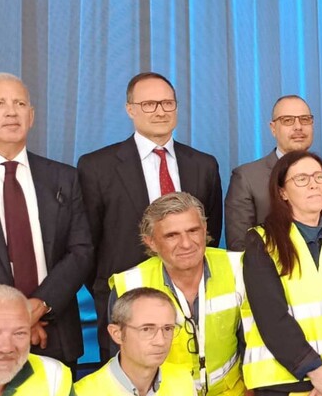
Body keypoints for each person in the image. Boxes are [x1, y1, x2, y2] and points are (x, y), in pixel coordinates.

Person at [0, 73, 92, 368]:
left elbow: (81, 251)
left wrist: (38, 307)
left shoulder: (63, 177)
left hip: (54, 333)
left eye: (20, 103)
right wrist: (11, 317)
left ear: (32, 116)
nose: (11, 112)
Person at [79, 72, 223, 359]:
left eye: (167, 103)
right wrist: (108, 290)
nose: (160, 111)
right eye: (149, 104)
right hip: (125, 304)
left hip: (192, 303)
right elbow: (87, 243)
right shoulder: (97, 167)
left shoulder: (203, 165)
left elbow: (210, 233)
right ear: (130, 109)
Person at [242, 150, 322, 396]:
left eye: (319, 177)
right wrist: (313, 368)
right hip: (282, 378)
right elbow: (271, 315)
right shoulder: (262, 241)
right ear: (282, 192)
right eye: (301, 179)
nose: (313, 184)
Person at [107, 193, 246, 396]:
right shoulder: (130, 284)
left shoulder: (238, 267)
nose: (186, 243)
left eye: (193, 231)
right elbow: (124, 364)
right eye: (172, 235)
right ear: (151, 242)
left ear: (205, 230)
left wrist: (251, 395)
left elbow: (254, 343)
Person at [225, 94, 322, 251]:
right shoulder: (247, 178)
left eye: (305, 119)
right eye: (288, 120)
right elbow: (240, 248)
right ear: (273, 128)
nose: (298, 127)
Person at [75, 287, 198, 396]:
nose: (161, 341)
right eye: (146, 329)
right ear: (117, 334)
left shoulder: (184, 381)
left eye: (168, 328)